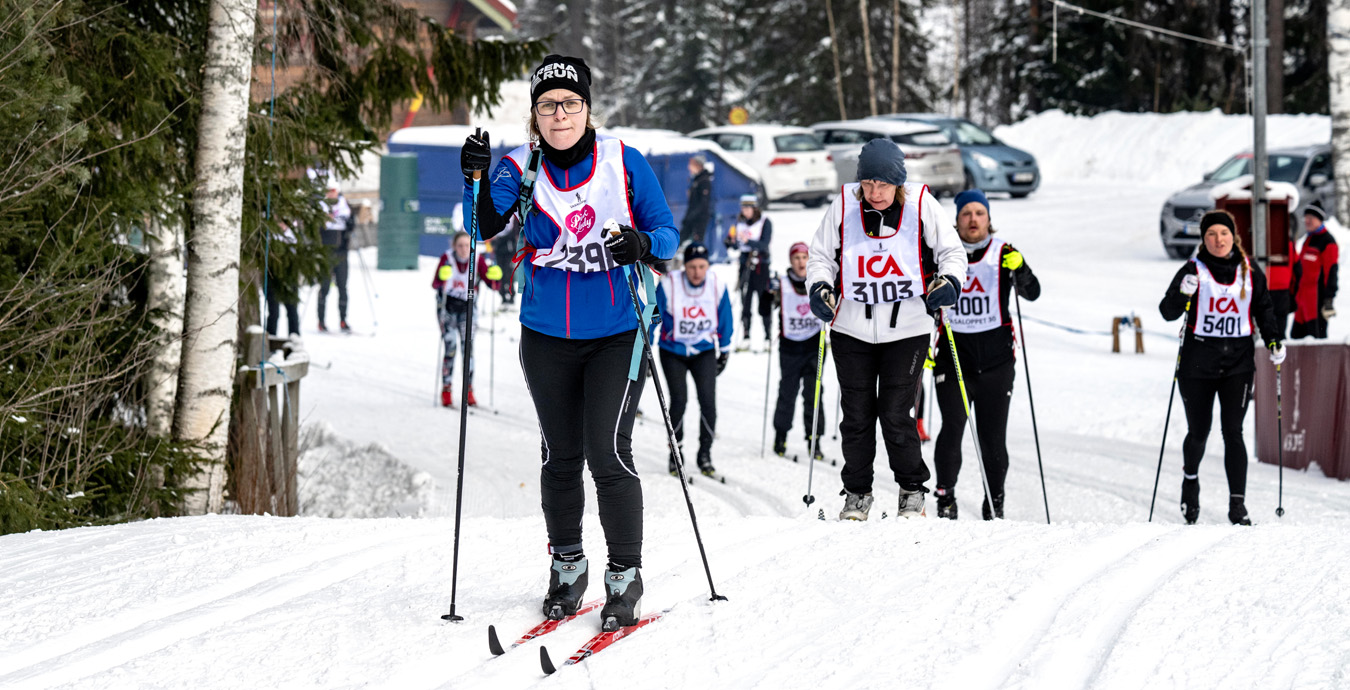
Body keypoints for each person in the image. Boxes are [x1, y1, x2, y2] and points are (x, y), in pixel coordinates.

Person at [459, 54, 678, 630]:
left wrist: (641, 242)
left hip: (617, 330)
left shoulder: (624, 162)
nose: (561, 115)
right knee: (560, 456)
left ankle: (624, 575)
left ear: (587, 108)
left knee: (607, 450)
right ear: (535, 115)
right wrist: (474, 180)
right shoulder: (520, 168)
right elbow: (481, 227)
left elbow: (667, 234)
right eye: (549, 105)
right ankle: (567, 566)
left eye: (571, 103)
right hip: (546, 333)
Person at [806, 138, 966, 521]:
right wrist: (819, 287)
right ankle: (857, 494)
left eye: (883, 184)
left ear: (898, 183)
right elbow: (820, 256)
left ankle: (912, 490)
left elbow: (952, 252)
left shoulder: (921, 204)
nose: (875, 192)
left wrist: (950, 282)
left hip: (907, 327)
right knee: (857, 414)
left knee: (896, 412)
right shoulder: (843, 205)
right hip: (850, 327)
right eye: (868, 184)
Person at [1158, 209, 1284, 526]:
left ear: (1233, 237)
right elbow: (1167, 312)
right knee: (1199, 432)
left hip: (1238, 363)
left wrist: (1273, 341)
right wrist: (1182, 292)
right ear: (1204, 239)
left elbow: (1264, 310)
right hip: (1197, 363)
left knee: (1234, 432)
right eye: (1211, 235)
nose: (1218, 240)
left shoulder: (1250, 271)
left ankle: (1237, 505)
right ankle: (1190, 480)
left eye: (1224, 234)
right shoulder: (1193, 270)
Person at [931, 189, 1041, 521]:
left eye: (980, 213)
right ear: (957, 220)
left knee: (994, 437)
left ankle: (995, 501)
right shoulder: (942, 254)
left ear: (989, 218)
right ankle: (945, 497)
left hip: (996, 360)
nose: (973, 219)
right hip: (954, 356)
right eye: (966, 214)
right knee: (952, 428)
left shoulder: (1004, 251)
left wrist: (1020, 270)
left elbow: (1032, 292)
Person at [654, 242, 734, 476]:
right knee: (679, 401)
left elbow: (725, 317)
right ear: (684, 267)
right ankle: (675, 454)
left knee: (708, 402)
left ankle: (705, 454)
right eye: (692, 267)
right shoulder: (669, 284)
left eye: (702, 266)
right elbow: (653, 316)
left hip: (704, 351)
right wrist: (645, 347)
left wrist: (725, 350)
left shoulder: (717, 285)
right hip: (673, 351)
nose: (697, 272)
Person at [770, 242, 826, 459]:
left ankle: (815, 440)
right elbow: (765, 309)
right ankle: (781, 435)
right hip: (790, 347)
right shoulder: (782, 284)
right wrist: (767, 295)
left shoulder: (820, 282)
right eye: (797, 258)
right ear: (791, 261)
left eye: (804, 257)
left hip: (814, 346)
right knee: (787, 392)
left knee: (814, 394)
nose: (801, 262)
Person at [431, 231, 498, 408]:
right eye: (460, 246)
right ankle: (446, 389)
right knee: (451, 346)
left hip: (468, 310)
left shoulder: (477, 261)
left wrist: (495, 276)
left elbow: (492, 284)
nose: (463, 249)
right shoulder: (447, 258)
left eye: (467, 246)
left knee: (468, 348)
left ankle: (468, 390)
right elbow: (435, 284)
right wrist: (441, 276)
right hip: (448, 309)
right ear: (454, 246)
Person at [726, 194, 774, 350]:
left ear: (754, 208)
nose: (745, 211)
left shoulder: (765, 222)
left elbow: (764, 244)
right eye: (743, 208)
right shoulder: (739, 223)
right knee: (745, 301)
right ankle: (746, 335)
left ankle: (768, 336)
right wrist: (730, 242)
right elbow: (736, 245)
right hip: (744, 264)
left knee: (763, 301)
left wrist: (748, 242)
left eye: (748, 208)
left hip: (761, 264)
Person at [1290, 201, 1339, 340]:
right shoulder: (1309, 239)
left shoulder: (1327, 241)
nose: (1307, 221)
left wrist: (1329, 298)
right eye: (1306, 217)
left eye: (1311, 218)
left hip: (1316, 301)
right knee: (1295, 339)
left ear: (1319, 219)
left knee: (1317, 342)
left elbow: (1332, 271)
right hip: (1303, 302)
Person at [316, 180, 352, 333]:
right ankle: (321, 321)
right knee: (324, 288)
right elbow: (315, 228)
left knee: (342, 287)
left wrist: (348, 226)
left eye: (334, 191)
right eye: (329, 191)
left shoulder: (345, 207)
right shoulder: (321, 207)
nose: (331, 194)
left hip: (342, 253)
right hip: (326, 254)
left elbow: (351, 225)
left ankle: (343, 320)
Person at [265, 221, 302, 338]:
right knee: (273, 311)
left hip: (290, 276)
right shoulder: (269, 235)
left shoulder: (295, 236)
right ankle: (271, 338)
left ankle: (294, 338)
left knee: (292, 310)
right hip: (272, 276)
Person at [680, 155, 712, 246]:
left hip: (699, 219)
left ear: (698, 165)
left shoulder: (704, 181)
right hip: (691, 217)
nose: (689, 167)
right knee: (681, 239)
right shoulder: (696, 180)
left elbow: (703, 203)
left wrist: (691, 216)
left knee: (697, 243)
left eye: (691, 165)